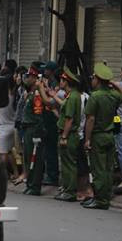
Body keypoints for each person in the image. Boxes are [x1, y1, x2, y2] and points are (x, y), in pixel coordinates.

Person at [82, 63, 122, 210]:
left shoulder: (95, 96)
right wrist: (112, 84)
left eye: (93, 77)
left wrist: (87, 139)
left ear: (98, 80)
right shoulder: (114, 95)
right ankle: (105, 197)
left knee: (98, 170)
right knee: (107, 169)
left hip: (98, 136)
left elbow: (90, 119)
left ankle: (100, 199)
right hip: (110, 135)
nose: (92, 80)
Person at [54, 67, 82, 202]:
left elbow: (69, 119)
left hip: (69, 135)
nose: (60, 82)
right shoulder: (73, 95)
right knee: (67, 163)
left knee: (68, 164)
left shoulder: (72, 97)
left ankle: (70, 191)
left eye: (62, 80)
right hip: (69, 134)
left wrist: (64, 136)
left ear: (67, 82)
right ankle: (67, 189)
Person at [19, 65, 45, 196]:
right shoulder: (29, 93)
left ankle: (35, 186)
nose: (26, 78)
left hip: (34, 129)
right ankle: (30, 183)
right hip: (28, 128)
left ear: (35, 78)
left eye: (29, 76)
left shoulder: (37, 95)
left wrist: (37, 132)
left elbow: (38, 115)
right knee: (28, 157)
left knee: (35, 158)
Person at [0, 64, 18, 182]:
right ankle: (16, 173)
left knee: (3, 154)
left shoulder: (2, 97)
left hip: (4, 128)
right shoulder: (14, 96)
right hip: (13, 126)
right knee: (10, 151)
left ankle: (2, 176)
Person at [39, 62, 61, 187]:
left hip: (53, 121)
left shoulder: (57, 86)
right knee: (47, 150)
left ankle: (53, 176)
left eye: (46, 70)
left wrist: (42, 89)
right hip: (48, 120)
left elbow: (49, 102)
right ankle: (50, 174)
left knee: (51, 150)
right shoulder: (50, 84)